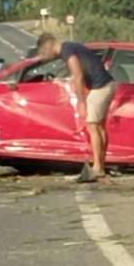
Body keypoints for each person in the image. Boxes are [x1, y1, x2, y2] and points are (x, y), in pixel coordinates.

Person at [36, 33, 115, 182]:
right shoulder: (71, 47)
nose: (45, 56)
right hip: (108, 84)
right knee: (100, 127)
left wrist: (81, 102)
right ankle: (101, 165)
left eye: (44, 53)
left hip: (100, 87)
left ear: (48, 47)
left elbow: (78, 75)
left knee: (93, 126)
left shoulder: (67, 51)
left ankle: (98, 168)